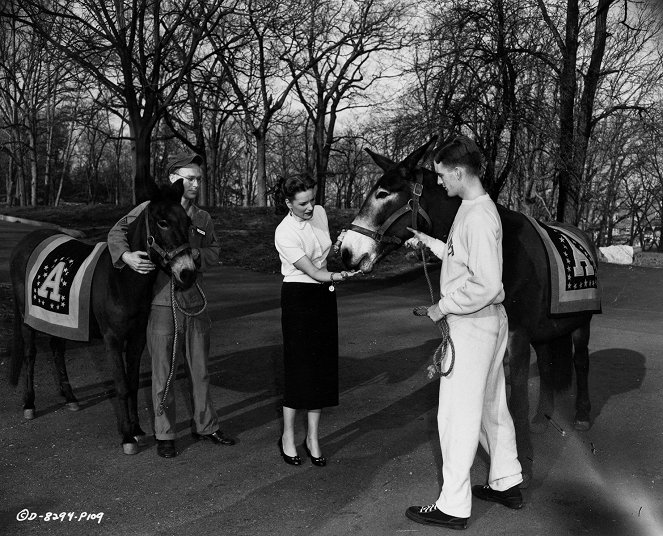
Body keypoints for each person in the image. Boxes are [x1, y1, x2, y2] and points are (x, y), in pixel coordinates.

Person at [404, 136, 523, 529]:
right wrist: (430, 243)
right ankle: (506, 481)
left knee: (456, 415)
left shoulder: (479, 215)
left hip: (473, 325)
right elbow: (463, 256)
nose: (439, 183)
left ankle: (453, 505)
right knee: (491, 406)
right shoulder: (473, 208)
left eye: (441, 176)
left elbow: (487, 284)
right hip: (486, 323)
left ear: (458, 172)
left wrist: (443, 306)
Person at [107, 151, 235, 459]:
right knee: (163, 371)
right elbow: (116, 232)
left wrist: (194, 255)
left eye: (199, 179)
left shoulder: (202, 218)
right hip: (163, 302)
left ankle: (206, 425)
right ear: (173, 180)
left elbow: (214, 249)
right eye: (189, 178)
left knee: (201, 370)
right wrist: (126, 256)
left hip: (194, 301)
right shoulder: (152, 209)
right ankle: (165, 433)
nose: (195, 184)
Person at [274, 174, 359, 467]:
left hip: (324, 297)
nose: (310, 207)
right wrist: (342, 275)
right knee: (299, 367)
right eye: (303, 203)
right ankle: (287, 436)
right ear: (288, 203)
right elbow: (314, 271)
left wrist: (341, 248)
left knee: (321, 368)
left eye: (312, 199)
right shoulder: (284, 232)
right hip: (299, 295)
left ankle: (312, 437)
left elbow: (324, 253)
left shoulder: (320, 212)